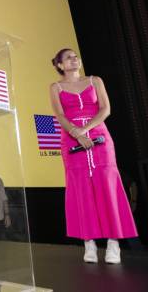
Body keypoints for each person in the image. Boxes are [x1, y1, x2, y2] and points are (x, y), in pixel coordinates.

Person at [48, 48, 137, 264]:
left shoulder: (95, 80)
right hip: (71, 137)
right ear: (60, 65)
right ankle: (88, 243)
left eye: (76, 56)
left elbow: (105, 109)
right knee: (81, 189)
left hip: (98, 135)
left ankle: (113, 243)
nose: (74, 59)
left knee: (107, 186)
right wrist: (76, 133)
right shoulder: (55, 87)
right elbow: (59, 114)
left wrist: (86, 129)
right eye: (68, 57)